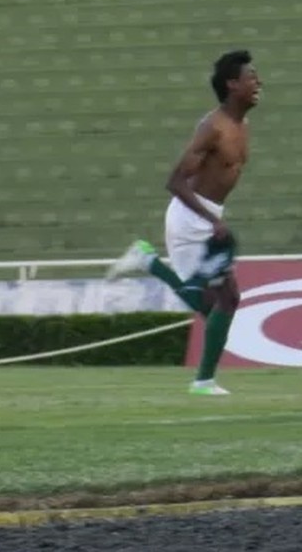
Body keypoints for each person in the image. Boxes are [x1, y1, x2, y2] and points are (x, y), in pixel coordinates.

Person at [107, 50, 261, 395]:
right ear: (232, 84)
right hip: (190, 220)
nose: (258, 83)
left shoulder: (242, 125)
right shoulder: (212, 129)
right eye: (251, 77)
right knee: (224, 301)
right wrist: (211, 220)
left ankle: (147, 261)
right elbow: (175, 181)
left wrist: (216, 219)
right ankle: (203, 381)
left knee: (219, 303)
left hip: (208, 217)